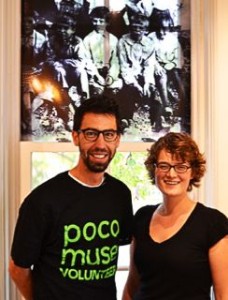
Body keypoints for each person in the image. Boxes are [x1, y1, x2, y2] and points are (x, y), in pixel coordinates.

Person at [9, 96, 133, 300]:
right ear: (76, 136)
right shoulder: (42, 201)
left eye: (109, 134)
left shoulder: (120, 194)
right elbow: (17, 269)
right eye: (91, 134)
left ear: (117, 139)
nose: (100, 144)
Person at [122, 132, 228, 299]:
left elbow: (223, 294)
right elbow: (132, 285)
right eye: (164, 165)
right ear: (154, 169)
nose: (171, 174)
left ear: (193, 172)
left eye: (181, 166)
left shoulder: (212, 223)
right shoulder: (142, 217)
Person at [83, 6, 123, 97]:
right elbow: (87, 60)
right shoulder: (87, 39)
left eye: (101, 21)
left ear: (107, 22)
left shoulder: (113, 39)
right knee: (97, 92)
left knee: (114, 91)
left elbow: (115, 60)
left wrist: (111, 76)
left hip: (109, 73)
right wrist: (97, 76)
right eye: (95, 21)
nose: (98, 24)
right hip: (94, 73)